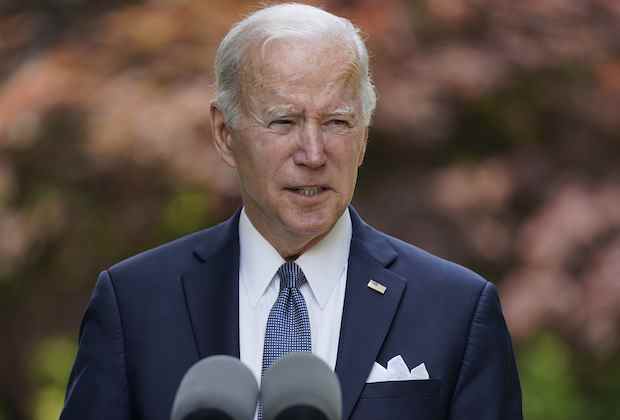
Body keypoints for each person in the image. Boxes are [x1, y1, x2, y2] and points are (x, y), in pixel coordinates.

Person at [60, 3, 522, 420]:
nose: (314, 153)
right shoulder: (135, 304)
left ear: (363, 137)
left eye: (337, 122)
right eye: (283, 121)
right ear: (225, 134)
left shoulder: (456, 310)